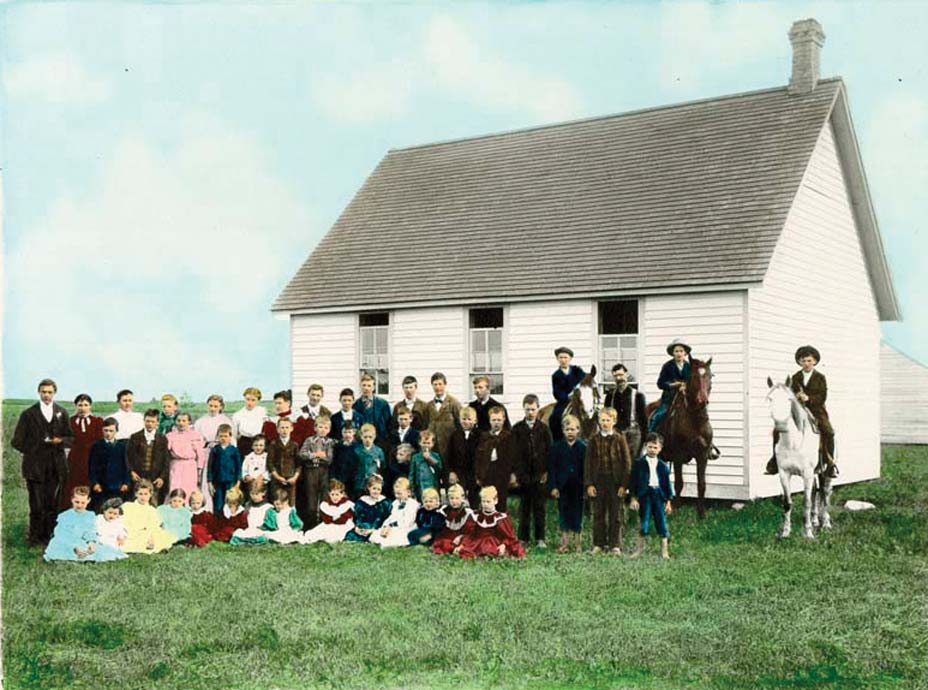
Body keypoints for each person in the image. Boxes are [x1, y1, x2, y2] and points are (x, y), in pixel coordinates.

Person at [12, 379, 73, 546]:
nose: (46, 395)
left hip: (56, 465)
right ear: (39, 392)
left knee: (52, 503)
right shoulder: (28, 414)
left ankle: (49, 536)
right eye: (43, 392)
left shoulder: (61, 412)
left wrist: (59, 441)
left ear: (54, 393)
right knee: (37, 503)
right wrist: (37, 446)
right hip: (35, 466)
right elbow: (17, 441)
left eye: (50, 392)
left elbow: (70, 437)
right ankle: (34, 536)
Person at [766, 345, 838, 479]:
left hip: (816, 410)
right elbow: (790, 395)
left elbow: (822, 396)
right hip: (798, 411)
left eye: (809, 361)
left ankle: (830, 463)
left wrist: (808, 398)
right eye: (803, 361)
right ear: (799, 362)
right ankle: (774, 461)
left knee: (829, 431)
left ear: (815, 361)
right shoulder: (795, 377)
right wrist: (796, 398)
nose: (806, 364)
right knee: (777, 430)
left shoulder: (820, 377)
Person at [585, 407, 632, 555]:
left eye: (608, 420)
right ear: (598, 422)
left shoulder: (619, 439)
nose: (605, 423)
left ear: (614, 421)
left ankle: (614, 545)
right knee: (598, 512)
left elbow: (627, 462)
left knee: (616, 513)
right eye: (602, 420)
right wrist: (589, 484)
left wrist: (624, 485)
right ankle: (599, 544)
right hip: (598, 480)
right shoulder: (593, 439)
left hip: (615, 481)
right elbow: (587, 463)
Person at [511, 394, 552, 548]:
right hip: (523, 475)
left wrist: (547, 472)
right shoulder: (517, 429)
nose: (530, 413)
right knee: (524, 508)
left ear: (537, 409)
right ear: (524, 409)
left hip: (539, 475)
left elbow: (550, 451)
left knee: (539, 508)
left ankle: (540, 538)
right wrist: (516, 473)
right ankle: (523, 538)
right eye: (528, 409)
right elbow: (513, 453)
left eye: (533, 409)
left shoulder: (544, 429)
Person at [44, 487, 126, 562]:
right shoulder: (65, 516)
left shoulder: (89, 515)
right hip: (66, 541)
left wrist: (91, 542)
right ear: (72, 499)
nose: (79, 505)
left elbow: (90, 531)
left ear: (88, 500)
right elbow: (61, 534)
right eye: (77, 502)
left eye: (83, 502)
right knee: (60, 548)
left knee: (96, 550)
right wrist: (73, 547)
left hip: (81, 541)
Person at [629, 433, 673, 560]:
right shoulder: (639, 464)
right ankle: (639, 549)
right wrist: (634, 498)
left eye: (655, 447)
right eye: (650, 447)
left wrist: (669, 502)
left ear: (660, 449)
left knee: (662, 523)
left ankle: (665, 551)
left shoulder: (663, 466)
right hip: (645, 495)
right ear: (645, 447)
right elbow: (633, 482)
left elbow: (667, 485)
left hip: (658, 495)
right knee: (644, 522)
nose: (652, 450)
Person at [453, 486, 525, 560]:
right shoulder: (476, 515)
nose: (485, 504)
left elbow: (507, 536)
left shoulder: (500, 517)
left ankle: (489, 554)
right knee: (465, 551)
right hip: (478, 541)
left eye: (488, 501)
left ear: (495, 501)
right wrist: (462, 545)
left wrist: (503, 545)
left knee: (492, 550)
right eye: (483, 501)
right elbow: (470, 534)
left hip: (494, 542)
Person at [548, 414, 586, 554]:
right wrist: (553, 487)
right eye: (567, 429)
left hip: (578, 486)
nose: (570, 432)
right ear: (563, 431)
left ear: (578, 430)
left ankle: (577, 544)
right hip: (562, 487)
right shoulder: (556, 448)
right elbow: (552, 469)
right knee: (564, 514)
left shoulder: (583, 448)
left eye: (573, 429)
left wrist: (586, 486)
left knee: (577, 514)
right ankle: (564, 543)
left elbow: (586, 469)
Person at [61, 394, 103, 510]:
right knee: (72, 486)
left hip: (92, 460)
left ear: (90, 406)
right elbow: (66, 441)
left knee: (91, 486)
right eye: (80, 405)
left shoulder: (97, 422)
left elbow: (100, 442)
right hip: (75, 459)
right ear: (76, 406)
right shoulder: (70, 421)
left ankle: (91, 513)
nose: (83, 408)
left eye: (86, 405)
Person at [193, 394, 233, 512]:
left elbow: (232, 439)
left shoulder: (226, 421)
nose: (213, 408)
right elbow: (197, 439)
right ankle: (207, 509)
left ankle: (223, 512)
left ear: (221, 407)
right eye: (210, 405)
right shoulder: (201, 421)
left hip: (221, 451)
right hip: (207, 451)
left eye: (216, 406)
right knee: (207, 481)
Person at [297, 415, 335, 529]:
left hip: (324, 471)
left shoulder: (330, 442)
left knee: (324, 497)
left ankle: (323, 524)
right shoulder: (309, 440)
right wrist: (315, 454)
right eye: (320, 427)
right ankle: (310, 525)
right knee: (311, 498)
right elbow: (302, 454)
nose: (323, 430)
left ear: (329, 430)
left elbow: (329, 458)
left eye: (326, 428)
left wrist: (322, 456)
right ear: (315, 428)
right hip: (311, 471)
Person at [475, 407, 515, 515]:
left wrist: (512, 473)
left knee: (501, 500)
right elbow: (479, 457)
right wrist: (478, 475)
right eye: (493, 420)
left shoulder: (508, 436)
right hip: (487, 471)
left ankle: (501, 524)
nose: (496, 423)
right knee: (487, 498)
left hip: (502, 472)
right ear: (489, 420)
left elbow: (512, 457)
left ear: (504, 420)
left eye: (499, 420)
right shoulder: (484, 436)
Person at [603, 364, 647, 458]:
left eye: (621, 375)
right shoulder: (610, 396)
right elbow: (605, 417)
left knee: (633, 463)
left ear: (626, 374)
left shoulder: (638, 395)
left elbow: (643, 419)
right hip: (615, 433)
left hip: (633, 434)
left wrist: (644, 439)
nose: (619, 378)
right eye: (615, 376)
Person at [127, 409, 170, 505]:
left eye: (153, 421)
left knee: (154, 503)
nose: (150, 424)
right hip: (138, 476)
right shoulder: (135, 437)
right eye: (147, 421)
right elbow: (128, 457)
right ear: (144, 421)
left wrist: (162, 477)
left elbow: (166, 460)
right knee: (136, 502)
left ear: (157, 423)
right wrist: (131, 471)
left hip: (154, 477)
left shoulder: (162, 439)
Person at [649, 338, 692, 433]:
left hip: (686, 400)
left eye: (681, 351)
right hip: (669, 400)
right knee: (658, 415)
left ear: (685, 353)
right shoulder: (667, 366)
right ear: (673, 353)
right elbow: (660, 383)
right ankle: (650, 436)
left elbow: (693, 382)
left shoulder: (689, 367)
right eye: (676, 351)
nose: (679, 353)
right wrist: (673, 385)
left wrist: (686, 386)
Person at [121, 480, 176, 554]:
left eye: (146, 494)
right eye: (140, 494)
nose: (143, 497)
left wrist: (150, 536)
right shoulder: (128, 506)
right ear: (136, 494)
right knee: (129, 541)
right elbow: (124, 522)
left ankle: (151, 544)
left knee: (160, 536)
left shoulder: (152, 510)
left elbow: (153, 525)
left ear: (150, 494)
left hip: (146, 533)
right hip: (132, 532)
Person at [88, 417, 131, 509]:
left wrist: (126, 483)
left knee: (116, 509)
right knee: (100, 508)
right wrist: (95, 483)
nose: (108, 433)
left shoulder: (121, 446)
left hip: (117, 486)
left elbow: (126, 466)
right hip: (101, 486)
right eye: (106, 430)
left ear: (116, 431)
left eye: (111, 431)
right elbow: (92, 467)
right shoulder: (96, 446)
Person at [166, 412, 207, 501]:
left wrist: (199, 469)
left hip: (190, 465)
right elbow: (167, 452)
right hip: (175, 464)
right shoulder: (170, 435)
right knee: (174, 487)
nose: (181, 423)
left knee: (189, 488)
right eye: (179, 420)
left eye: (184, 421)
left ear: (189, 422)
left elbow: (200, 454)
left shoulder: (195, 435)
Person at [446, 407, 482, 508]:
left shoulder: (480, 436)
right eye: (464, 419)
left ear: (475, 420)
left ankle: (473, 520)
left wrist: (480, 475)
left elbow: (482, 457)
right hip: (459, 473)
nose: (466, 422)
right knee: (459, 498)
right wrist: (451, 471)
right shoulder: (455, 435)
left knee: (474, 499)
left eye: (469, 419)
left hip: (474, 473)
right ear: (460, 419)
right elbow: (449, 455)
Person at [370, 477, 419, 549]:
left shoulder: (412, 504)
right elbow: (392, 516)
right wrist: (386, 526)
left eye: (399, 493)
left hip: (406, 527)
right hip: (394, 525)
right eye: (396, 494)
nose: (397, 496)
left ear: (408, 492)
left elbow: (408, 522)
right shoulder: (395, 503)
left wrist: (391, 526)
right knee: (377, 534)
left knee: (395, 536)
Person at [423, 372, 462, 459]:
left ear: (445, 384)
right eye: (435, 384)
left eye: (440, 384)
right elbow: (425, 426)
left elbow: (460, 424)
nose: (437, 387)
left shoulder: (453, 403)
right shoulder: (428, 406)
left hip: (449, 446)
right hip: (433, 447)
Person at [550, 347, 586, 442]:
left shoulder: (577, 370)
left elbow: (585, 381)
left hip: (579, 399)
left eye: (565, 357)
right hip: (565, 401)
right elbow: (556, 392)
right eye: (560, 358)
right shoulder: (556, 375)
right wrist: (567, 396)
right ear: (557, 359)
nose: (563, 360)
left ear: (570, 359)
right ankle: (557, 440)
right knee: (555, 416)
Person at [304, 479, 355, 544]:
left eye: (337, 494)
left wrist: (334, 518)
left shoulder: (346, 504)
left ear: (342, 494)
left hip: (343, 525)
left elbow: (344, 519)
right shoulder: (326, 504)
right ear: (329, 494)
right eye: (332, 494)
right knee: (314, 533)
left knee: (333, 538)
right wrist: (333, 518)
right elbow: (326, 519)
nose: (335, 497)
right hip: (328, 524)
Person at [344, 475, 392, 543]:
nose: (376, 491)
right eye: (374, 488)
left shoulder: (384, 503)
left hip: (376, 529)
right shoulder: (362, 501)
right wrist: (357, 528)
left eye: (379, 489)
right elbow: (357, 517)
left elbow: (386, 519)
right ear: (369, 488)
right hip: (362, 528)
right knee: (351, 536)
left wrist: (373, 530)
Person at [207, 424, 242, 516]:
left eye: (225, 436)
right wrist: (210, 482)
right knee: (218, 503)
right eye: (221, 436)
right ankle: (217, 523)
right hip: (217, 481)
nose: (223, 438)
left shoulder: (234, 450)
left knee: (230, 501)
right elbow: (210, 466)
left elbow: (238, 466)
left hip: (230, 481)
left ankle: (229, 521)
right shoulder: (215, 450)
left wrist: (238, 481)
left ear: (230, 436)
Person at [431, 484, 474, 555]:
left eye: (457, 498)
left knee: (468, 543)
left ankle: (459, 548)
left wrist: (461, 538)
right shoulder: (444, 510)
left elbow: (469, 532)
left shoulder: (467, 512)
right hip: (448, 536)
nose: (454, 501)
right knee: (443, 542)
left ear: (462, 498)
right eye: (452, 498)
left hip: (461, 536)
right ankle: (452, 548)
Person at [268, 418, 300, 506]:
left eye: (287, 427)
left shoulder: (295, 445)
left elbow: (298, 464)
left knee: (290, 504)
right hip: (277, 480)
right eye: (282, 428)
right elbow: (270, 463)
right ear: (277, 429)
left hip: (290, 480)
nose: (284, 430)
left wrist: (294, 477)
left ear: (291, 428)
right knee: (276, 502)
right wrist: (278, 477)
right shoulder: (273, 444)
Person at [353, 373, 392, 446]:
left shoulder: (383, 404)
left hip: (380, 442)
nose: (366, 388)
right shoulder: (355, 405)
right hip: (362, 443)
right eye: (364, 385)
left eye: (369, 385)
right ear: (360, 387)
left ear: (373, 387)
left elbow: (389, 424)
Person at [352, 424, 385, 500]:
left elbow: (382, 466)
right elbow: (353, 468)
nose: (368, 439)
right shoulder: (356, 450)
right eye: (365, 437)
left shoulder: (378, 451)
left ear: (374, 437)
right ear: (361, 437)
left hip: (373, 483)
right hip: (359, 483)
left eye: (370, 437)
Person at [232, 387, 267, 458]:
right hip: (244, 443)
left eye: (253, 400)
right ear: (244, 398)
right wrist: (235, 449)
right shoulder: (237, 415)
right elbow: (234, 435)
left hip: (258, 442)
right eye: (248, 399)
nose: (250, 402)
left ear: (258, 400)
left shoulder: (262, 411)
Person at [409, 430, 443, 501]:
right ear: (419, 443)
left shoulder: (436, 456)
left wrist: (430, 458)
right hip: (420, 485)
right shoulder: (415, 457)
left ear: (432, 444)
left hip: (433, 484)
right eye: (424, 443)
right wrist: (411, 488)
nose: (426, 445)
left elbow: (440, 469)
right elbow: (412, 473)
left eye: (428, 443)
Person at [330, 424, 359, 496]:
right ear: (341, 433)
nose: (347, 435)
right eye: (345, 432)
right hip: (340, 476)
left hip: (353, 477)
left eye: (349, 432)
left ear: (354, 432)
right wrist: (333, 476)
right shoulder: (337, 446)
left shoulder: (358, 446)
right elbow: (333, 462)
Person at [241, 434, 270, 498]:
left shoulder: (267, 457)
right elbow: (244, 469)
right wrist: (246, 476)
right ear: (252, 446)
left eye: (261, 445)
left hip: (263, 484)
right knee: (250, 498)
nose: (258, 447)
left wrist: (263, 476)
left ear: (265, 446)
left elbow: (269, 470)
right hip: (250, 483)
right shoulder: (248, 457)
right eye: (256, 445)